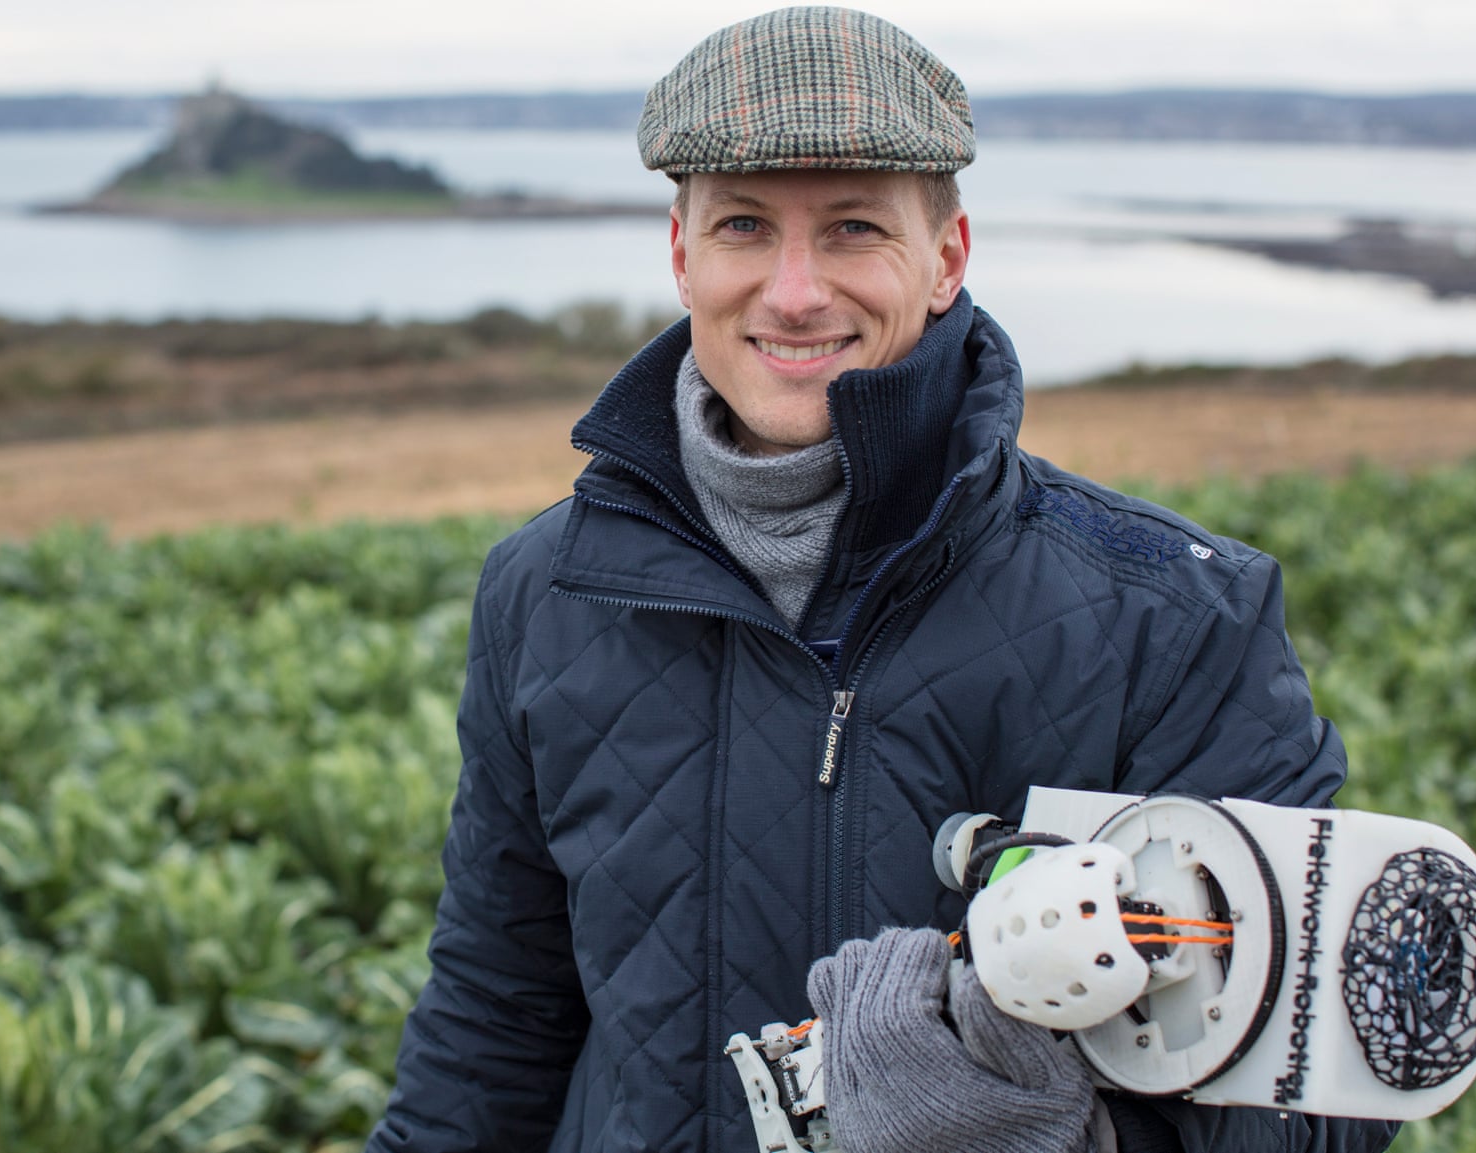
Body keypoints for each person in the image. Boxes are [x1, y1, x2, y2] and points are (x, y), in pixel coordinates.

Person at [364, 8, 1400, 1152]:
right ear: (681, 255)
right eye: (745, 227)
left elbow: (1316, 1106)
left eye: (854, 228)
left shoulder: (1179, 617)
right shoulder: (543, 591)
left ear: (947, 258)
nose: (795, 291)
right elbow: (491, 1015)